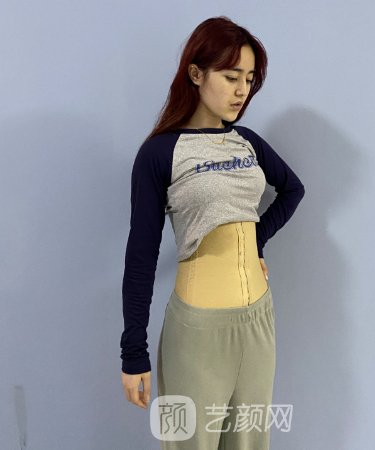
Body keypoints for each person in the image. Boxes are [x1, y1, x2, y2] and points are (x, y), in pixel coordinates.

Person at [120, 15, 305, 450]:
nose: (242, 90)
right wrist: (133, 352)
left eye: (249, 79)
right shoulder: (160, 153)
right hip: (197, 329)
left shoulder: (248, 142)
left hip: (258, 319)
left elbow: (293, 189)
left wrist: (256, 242)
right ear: (196, 73)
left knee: (251, 442)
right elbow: (141, 255)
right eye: (231, 76)